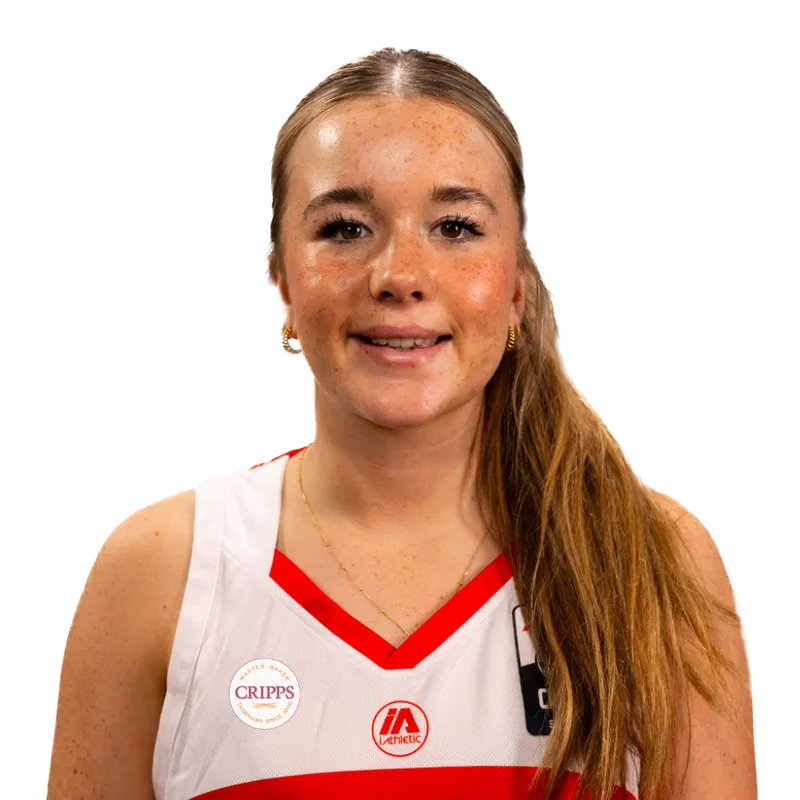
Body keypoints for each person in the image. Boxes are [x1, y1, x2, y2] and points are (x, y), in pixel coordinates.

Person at [46, 46, 758, 799]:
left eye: (455, 226)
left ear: (517, 285)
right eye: (345, 228)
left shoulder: (653, 561)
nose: (401, 277)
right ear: (280, 275)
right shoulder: (162, 571)